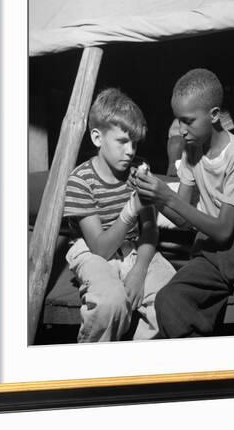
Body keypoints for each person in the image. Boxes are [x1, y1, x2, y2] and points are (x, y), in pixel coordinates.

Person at [133, 69, 234, 338]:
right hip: (208, 249)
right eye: (178, 121)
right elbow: (183, 220)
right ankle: (204, 367)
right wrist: (153, 197)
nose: (181, 131)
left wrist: (169, 196)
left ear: (213, 115)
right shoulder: (192, 150)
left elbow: (224, 229)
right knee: (170, 300)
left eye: (188, 121)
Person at [63, 88, 176, 342]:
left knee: (171, 298)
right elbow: (100, 250)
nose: (130, 151)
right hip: (93, 253)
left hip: (136, 248)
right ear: (97, 137)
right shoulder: (81, 181)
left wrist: (139, 270)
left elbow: (149, 229)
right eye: (122, 141)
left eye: (134, 143)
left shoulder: (137, 172)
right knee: (110, 303)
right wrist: (130, 208)